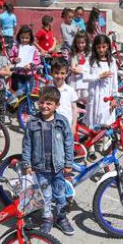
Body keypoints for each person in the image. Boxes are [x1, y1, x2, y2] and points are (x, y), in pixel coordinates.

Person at [21, 86, 75, 235]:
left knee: (60, 195)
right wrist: (27, 163)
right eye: (42, 102)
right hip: (40, 169)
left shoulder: (62, 122)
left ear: (57, 105)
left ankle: (61, 217)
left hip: (58, 168)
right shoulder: (32, 122)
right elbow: (27, 144)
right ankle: (46, 218)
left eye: (49, 103)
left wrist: (68, 164)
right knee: (45, 196)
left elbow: (69, 143)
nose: (45, 106)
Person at [82, 34, 118, 128]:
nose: (101, 50)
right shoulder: (90, 60)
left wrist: (114, 98)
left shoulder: (112, 61)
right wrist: (99, 76)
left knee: (106, 123)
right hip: (94, 97)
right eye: (98, 47)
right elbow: (84, 76)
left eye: (104, 47)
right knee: (92, 124)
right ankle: (92, 141)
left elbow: (114, 81)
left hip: (107, 98)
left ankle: (105, 142)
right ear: (95, 48)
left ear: (108, 46)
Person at [10, 26, 40, 96]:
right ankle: (20, 106)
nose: (24, 40)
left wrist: (31, 64)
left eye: (27, 38)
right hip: (19, 74)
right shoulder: (16, 47)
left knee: (29, 93)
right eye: (22, 37)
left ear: (30, 38)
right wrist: (14, 59)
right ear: (19, 37)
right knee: (20, 93)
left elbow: (37, 60)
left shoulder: (33, 48)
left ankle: (29, 106)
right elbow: (11, 57)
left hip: (30, 74)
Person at [50, 59, 79, 127]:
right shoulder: (47, 90)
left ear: (66, 74)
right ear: (51, 73)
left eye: (62, 73)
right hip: (51, 126)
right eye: (56, 73)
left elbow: (74, 109)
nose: (59, 76)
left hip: (66, 127)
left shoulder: (70, 90)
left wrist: (73, 127)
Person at [68, 31, 90, 101]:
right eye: (78, 43)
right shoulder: (74, 54)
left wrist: (80, 70)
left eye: (83, 43)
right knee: (74, 98)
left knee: (86, 98)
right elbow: (73, 67)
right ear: (75, 43)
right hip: (75, 80)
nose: (80, 45)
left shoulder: (89, 54)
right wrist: (73, 69)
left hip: (85, 80)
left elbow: (90, 67)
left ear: (86, 43)